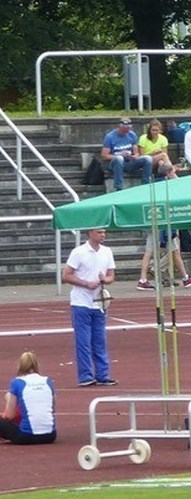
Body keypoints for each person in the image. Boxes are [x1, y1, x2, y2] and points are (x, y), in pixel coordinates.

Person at [62, 228, 118, 386]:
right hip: (81, 302)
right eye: (99, 232)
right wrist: (86, 283)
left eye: (104, 232)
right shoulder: (79, 252)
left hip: (99, 303)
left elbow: (111, 276)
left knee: (100, 340)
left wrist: (104, 280)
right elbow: (66, 275)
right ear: (90, 234)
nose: (103, 235)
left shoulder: (107, 252)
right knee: (84, 341)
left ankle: (102, 375)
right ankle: (86, 376)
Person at [0, 352, 56, 445]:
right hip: (50, 435)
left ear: (20, 365)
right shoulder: (48, 381)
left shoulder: (17, 382)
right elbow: (52, 408)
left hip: (26, 436)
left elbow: (10, 415)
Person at [100, 117, 154, 191]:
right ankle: (119, 187)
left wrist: (134, 156)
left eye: (128, 129)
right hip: (115, 163)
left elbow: (137, 153)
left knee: (148, 159)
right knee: (119, 159)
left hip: (129, 161)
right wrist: (119, 155)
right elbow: (104, 156)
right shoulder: (110, 137)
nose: (126, 131)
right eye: (124, 130)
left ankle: (146, 184)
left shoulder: (132, 135)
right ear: (119, 127)